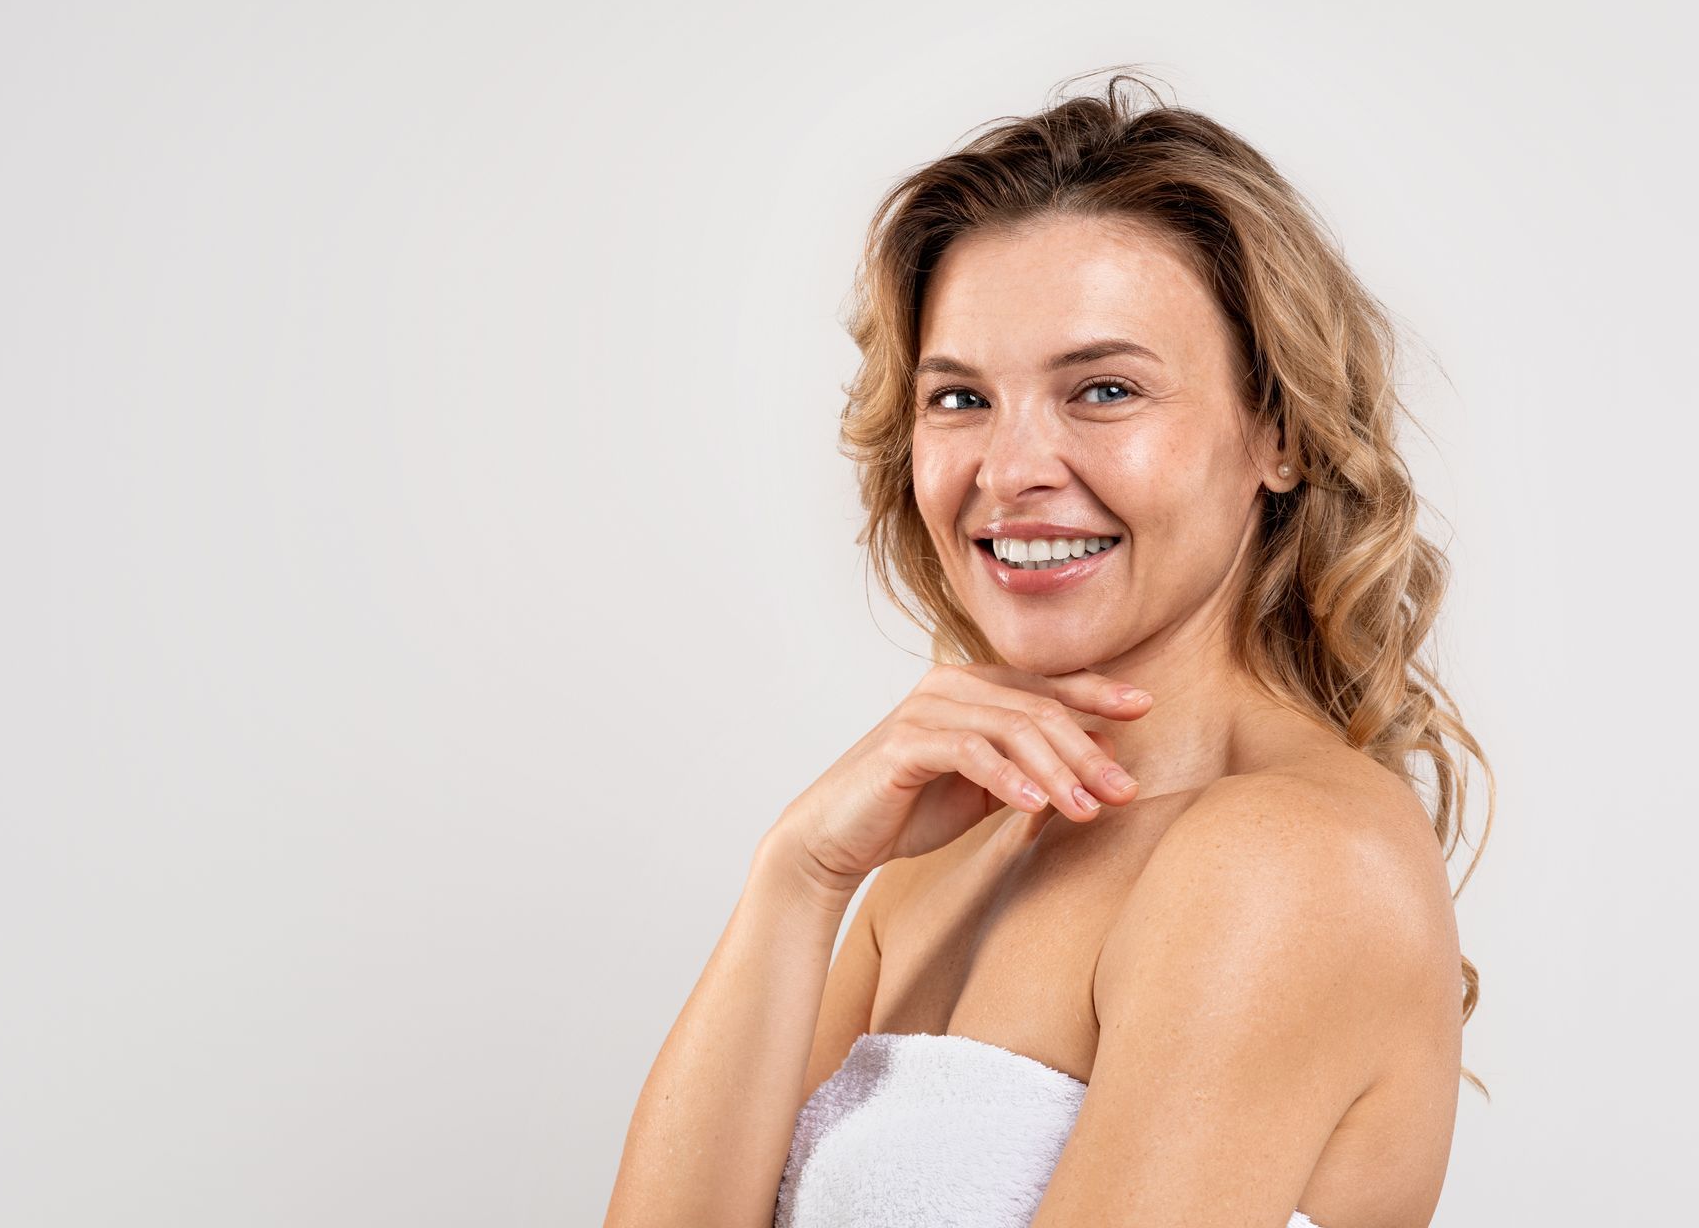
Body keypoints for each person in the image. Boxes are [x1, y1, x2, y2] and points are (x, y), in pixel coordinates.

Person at [604, 70, 1493, 1228]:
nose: (1010, 467)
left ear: (1278, 430)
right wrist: (799, 873)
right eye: (961, 398)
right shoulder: (932, 867)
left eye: (1105, 389)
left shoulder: (1291, 856)